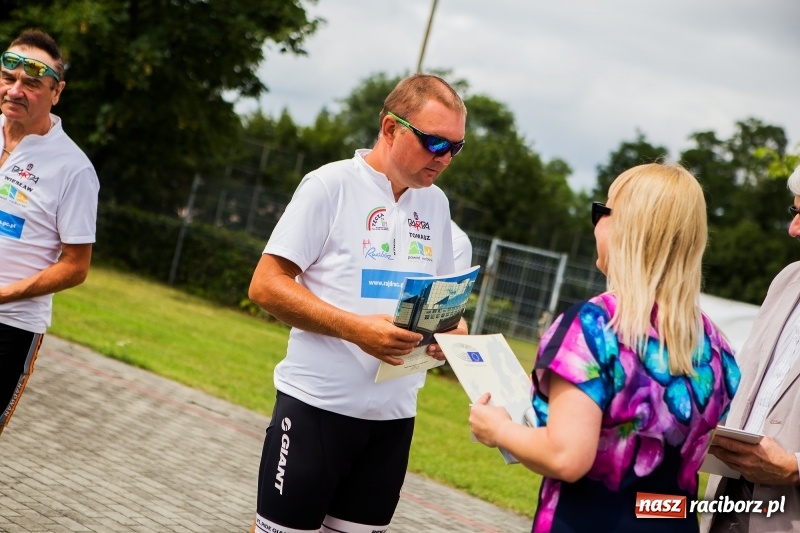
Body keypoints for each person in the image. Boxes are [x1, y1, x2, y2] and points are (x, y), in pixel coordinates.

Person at [247, 73, 468, 533]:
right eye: (433, 142)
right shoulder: (329, 185)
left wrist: (452, 334)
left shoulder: (437, 205)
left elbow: (446, 306)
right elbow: (266, 285)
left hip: (393, 421)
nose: (444, 158)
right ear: (391, 128)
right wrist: (356, 329)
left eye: (455, 147)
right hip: (316, 412)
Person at [469, 163, 741, 532]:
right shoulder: (716, 346)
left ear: (626, 226)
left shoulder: (595, 326)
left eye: (602, 211)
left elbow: (566, 456)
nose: (596, 224)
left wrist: (498, 428)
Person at [0, 29, 99, 437]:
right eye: (9, 78)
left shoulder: (73, 168)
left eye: (33, 84)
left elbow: (75, 266)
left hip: (11, 326)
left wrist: (3, 295)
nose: (16, 90)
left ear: (56, 93)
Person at [702, 164, 800, 533]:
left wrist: (794, 467)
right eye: (795, 212)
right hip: (728, 501)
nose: (793, 229)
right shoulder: (787, 281)